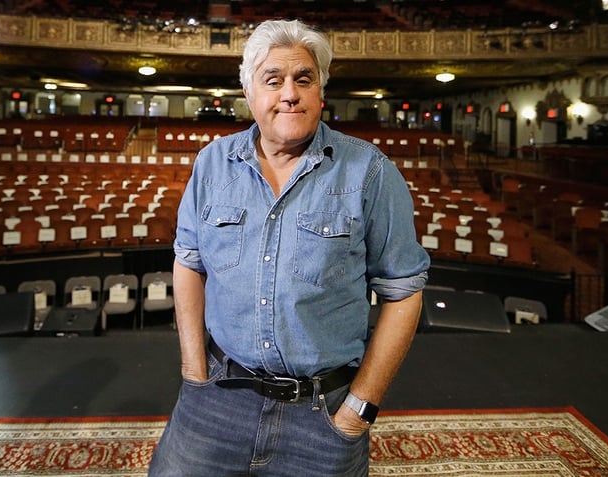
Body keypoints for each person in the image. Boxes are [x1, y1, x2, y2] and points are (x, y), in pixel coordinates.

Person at [148, 19, 430, 476]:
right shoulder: (212, 163)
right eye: (273, 80)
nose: (289, 94)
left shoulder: (370, 171)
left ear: (321, 92)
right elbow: (189, 263)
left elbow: (403, 290)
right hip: (217, 397)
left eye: (304, 79)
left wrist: (359, 409)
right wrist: (193, 371)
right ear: (249, 94)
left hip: (324, 412)